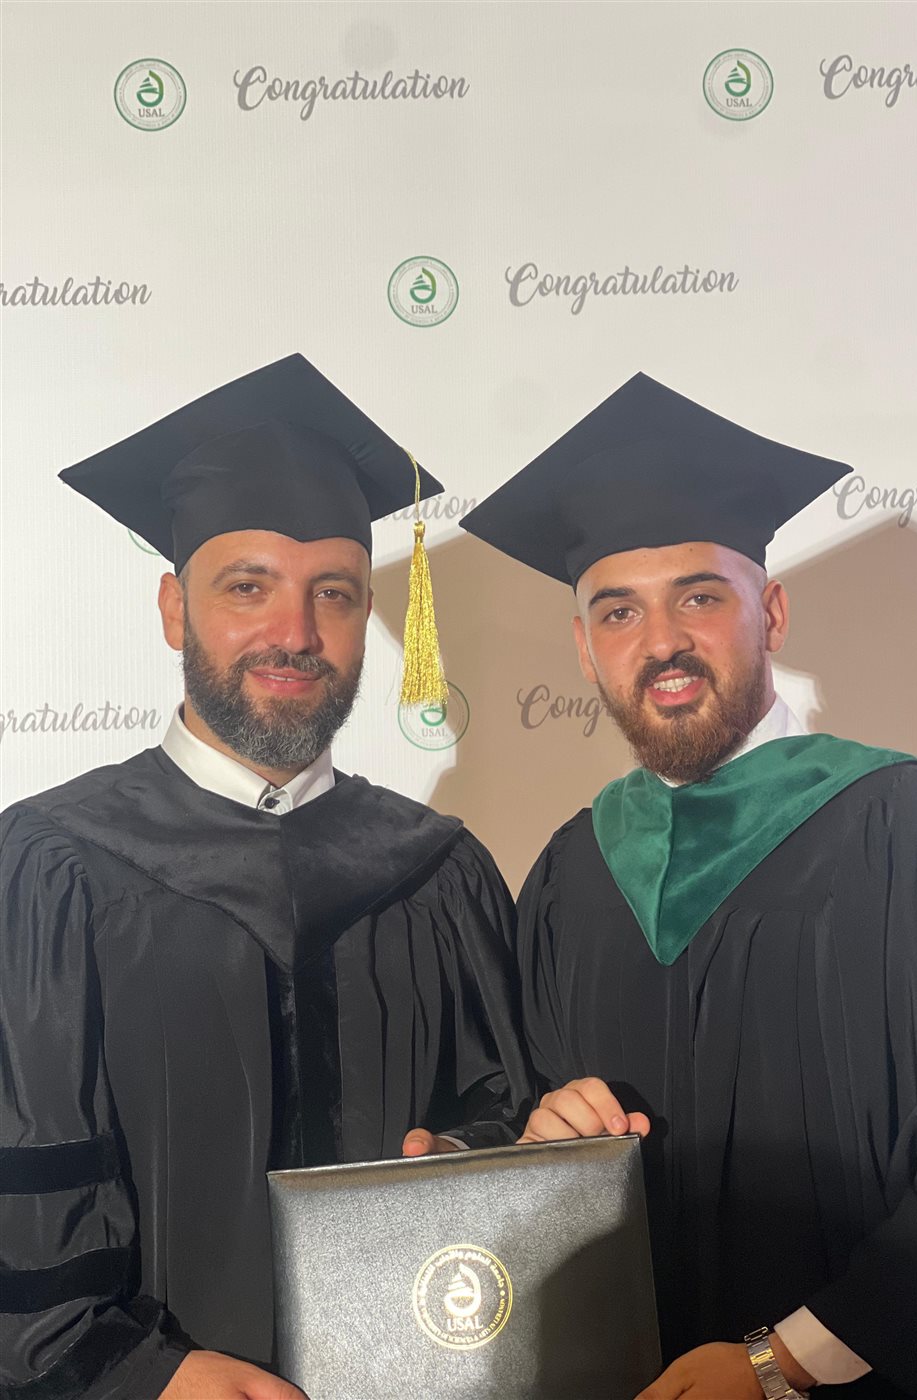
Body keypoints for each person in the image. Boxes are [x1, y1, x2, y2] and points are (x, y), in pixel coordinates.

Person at [460, 372, 917, 1400]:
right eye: (619, 611)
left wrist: (780, 1364)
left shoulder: (916, 834)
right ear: (585, 648)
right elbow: (532, 1130)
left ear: (769, 611)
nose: (662, 641)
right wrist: (541, 1134)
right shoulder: (569, 875)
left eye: (700, 596)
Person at [0, 355, 531, 1400]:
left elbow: (508, 1119)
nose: (295, 633)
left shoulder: (439, 873)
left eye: (333, 594)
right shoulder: (53, 869)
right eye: (248, 587)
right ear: (173, 607)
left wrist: (464, 1157)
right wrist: (138, 1373)